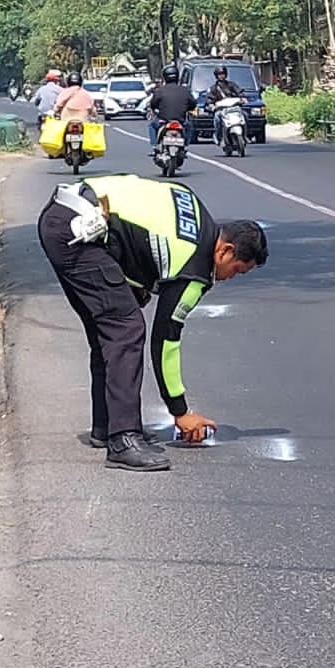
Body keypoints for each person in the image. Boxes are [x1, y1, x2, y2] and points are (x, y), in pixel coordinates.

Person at [37, 174, 268, 471]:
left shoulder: (195, 209)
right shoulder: (194, 265)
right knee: (126, 329)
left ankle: (107, 426)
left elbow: (138, 236)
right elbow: (166, 340)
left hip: (64, 212)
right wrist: (180, 411)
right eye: (237, 270)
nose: (229, 278)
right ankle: (123, 440)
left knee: (108, 329)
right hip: (78, 232)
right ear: (225, 251)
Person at [141, 67, 194, 145]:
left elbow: (153, 104)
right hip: (181, 120)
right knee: (189, 127)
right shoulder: (185, 90)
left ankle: (155, 145)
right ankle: (186, 145)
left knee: (152, 126)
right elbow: (193, 103)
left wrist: (155, 109)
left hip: (164, 120)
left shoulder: (160, 91)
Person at [209, 65, 244, 147]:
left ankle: (245, 135)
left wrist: (243, 98)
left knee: (244, 115)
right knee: (217, 117)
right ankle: (219, 137)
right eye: (219, 74)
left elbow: (239, 92)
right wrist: (211, 105)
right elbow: (210, 99)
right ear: (216, 76)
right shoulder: (213, 88)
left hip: (233, 108)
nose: (222, 76)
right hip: (221, 110)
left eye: (223, 74)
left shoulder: (231, 85)